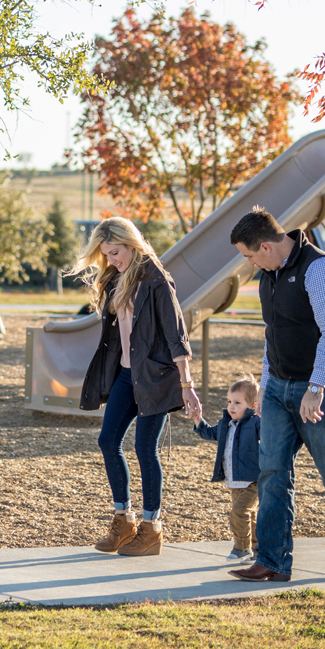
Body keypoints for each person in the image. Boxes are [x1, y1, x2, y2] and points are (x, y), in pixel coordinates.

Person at [228, 206, 325, 582]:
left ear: (266, 246)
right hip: (278, 386)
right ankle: (272, 561)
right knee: (272, 472)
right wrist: (264, 386)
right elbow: (271, 335)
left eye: (249, 256)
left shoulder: (320, 269)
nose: (250, 265)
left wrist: (315, 387)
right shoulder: (270, 275)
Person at [73, 217, 201, 557]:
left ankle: (151, 528)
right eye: (106, 256)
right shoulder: (118, 277)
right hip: (127, 376)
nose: (112, 260)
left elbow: (177, 335)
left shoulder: (157, 280)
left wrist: (187, 385)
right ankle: (123, 519)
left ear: (131, 243)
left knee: (145, 449)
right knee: (108, 441)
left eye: (115, 252)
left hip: (158, 378)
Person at [191, 379, 261, 563]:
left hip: (254, 480)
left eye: (238, 403)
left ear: (253, 406)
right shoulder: (225, 424)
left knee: (238, 513)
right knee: (249, 515)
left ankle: (242, 548)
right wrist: (198, 419)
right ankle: (258, 549)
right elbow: (209, 433)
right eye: (229, 401)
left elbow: (270, 435)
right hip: (234, 481)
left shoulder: (255, 423)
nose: (232, 406)